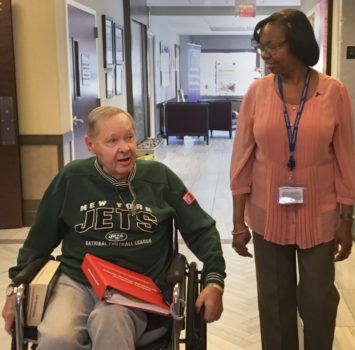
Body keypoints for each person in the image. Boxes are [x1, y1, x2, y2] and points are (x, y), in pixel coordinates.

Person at [2, 106, 226, 349]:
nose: (125, 148)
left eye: (129, 137)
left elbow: (201, 229)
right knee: (57, 337)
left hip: (137, 285)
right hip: (78, 282)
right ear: (91, 145)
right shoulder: (72, 178)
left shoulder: (159, 177)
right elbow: (38, 240)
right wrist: (15, 288)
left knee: (108, 321)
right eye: (112, 140)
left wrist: (214, 280)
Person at [230, 9, 355, 350]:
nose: (266, 55)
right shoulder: (256, 93)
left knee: (317, 301)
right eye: (262, 47)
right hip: (266, 213)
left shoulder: (334, 93)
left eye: (274, 46)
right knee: (274, 303)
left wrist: (347, 221)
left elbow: (346, 160)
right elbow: (241, 159)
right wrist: (237, 222)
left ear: (298, 43)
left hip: (320, 215)